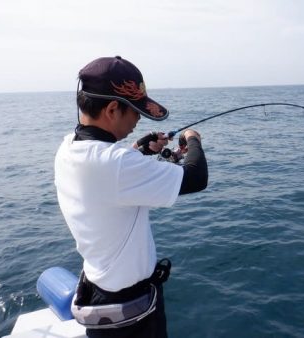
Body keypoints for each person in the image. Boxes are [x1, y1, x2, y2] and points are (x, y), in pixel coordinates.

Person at [54, 56, 208, 338]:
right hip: (131, 314)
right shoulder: (118, 164)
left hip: (98, 293)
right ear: (112, 108)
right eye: (136, 111)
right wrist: (193, 137)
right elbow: (197, 177)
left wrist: (139, 149)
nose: (139, 119)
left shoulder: (68, 148)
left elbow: (106, 176)